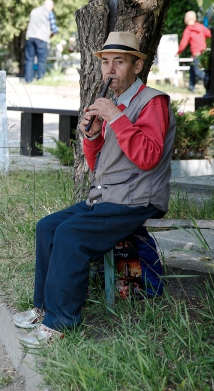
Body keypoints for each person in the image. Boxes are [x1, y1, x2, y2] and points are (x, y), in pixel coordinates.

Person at [13, 32, 175, 347]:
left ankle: (60, 324)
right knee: (48, 227)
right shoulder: (116, 105)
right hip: (109, 196)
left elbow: (149, 155)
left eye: (119, 61)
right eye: (105, 63)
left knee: (71, 235)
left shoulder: (152, 101)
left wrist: (115, 117)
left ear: (137, 65)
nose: (110, 70)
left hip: (138, 199)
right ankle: (44, 307)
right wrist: (93, 136)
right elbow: (98, 163)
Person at [24, 0, 59, 83]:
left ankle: (28, 80)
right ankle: (41, 79)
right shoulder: (49, 12)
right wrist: (52, 33)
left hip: (30, 36)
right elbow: (54, 28)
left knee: (29, 59)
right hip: (41, 37)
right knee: (41, 60)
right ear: (51, 6)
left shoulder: (34, 11)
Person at [176, 10, 211, 92]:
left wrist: (178, 52)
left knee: (197, 71)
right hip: (203, 53)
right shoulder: (201, 27)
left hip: (196, 53)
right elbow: (210, 34)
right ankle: (191, 87)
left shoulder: (188, 29)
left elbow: (183, 43)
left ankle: (209, 80)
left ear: (187, 18)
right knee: (192, 69)